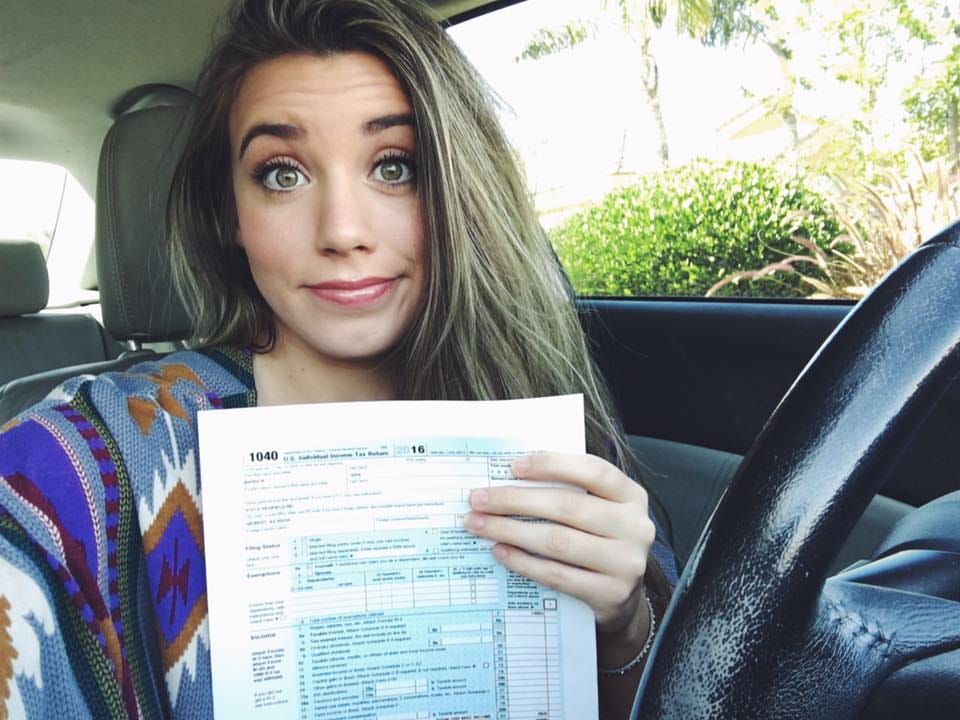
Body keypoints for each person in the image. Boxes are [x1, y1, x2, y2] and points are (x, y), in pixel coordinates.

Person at [0, 0, 678, 718]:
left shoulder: (549, 440)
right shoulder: (97, 456)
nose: (343, 231)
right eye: (282, 174)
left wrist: (624, 628)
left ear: (459, 188)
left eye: (394, 166)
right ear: (230, 214)